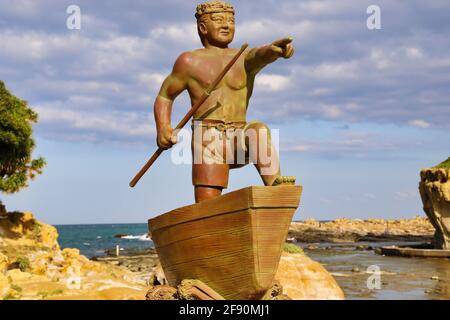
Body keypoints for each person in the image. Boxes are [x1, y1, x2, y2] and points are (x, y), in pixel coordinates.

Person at [154, 1, 295, 203]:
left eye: (231, 21)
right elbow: (165, 96)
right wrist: (163, 127)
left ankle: (276, 189)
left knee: (258, 131)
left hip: (239, 135)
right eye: (219, 20)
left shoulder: (243, 57)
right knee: (207, 209)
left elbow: (260, 55)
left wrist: (274, 51)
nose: (226, 25)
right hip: (207, 141)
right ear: (202, 27)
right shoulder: (188, 61)